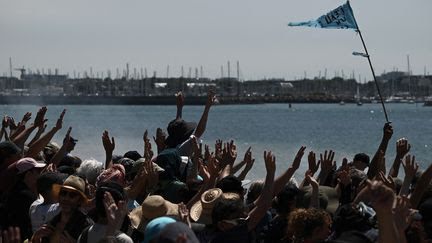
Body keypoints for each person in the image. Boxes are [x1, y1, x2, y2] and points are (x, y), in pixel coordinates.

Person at [31, 175, 93, 243]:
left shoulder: (86, 225)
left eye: (72, 195)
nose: (66, 198)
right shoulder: (52, 222)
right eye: (63, 193)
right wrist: (36, 238)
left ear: (79, 200)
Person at [4, 157, 46, 240]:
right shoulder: (27, 196)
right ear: (28, 174)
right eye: (37, 171)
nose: (39, 174)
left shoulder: (12, 190)